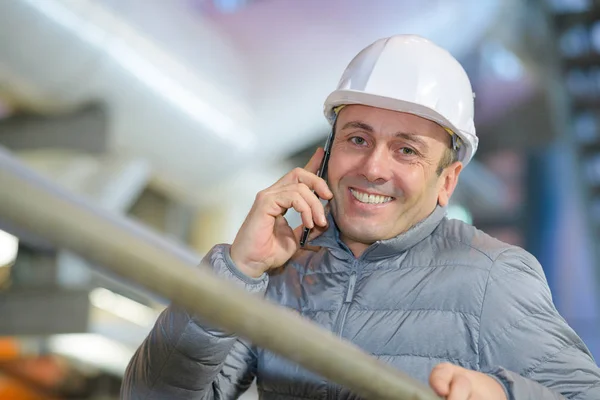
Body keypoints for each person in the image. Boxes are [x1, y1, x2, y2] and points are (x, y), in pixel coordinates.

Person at [121, 35, 600, 399]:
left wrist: (503, 394)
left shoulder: (492, 276)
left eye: (406, 150)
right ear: (326, 151)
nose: (373, 168)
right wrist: (235, 272)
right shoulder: (283, 268)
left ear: (447, 181)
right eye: (357, 138)